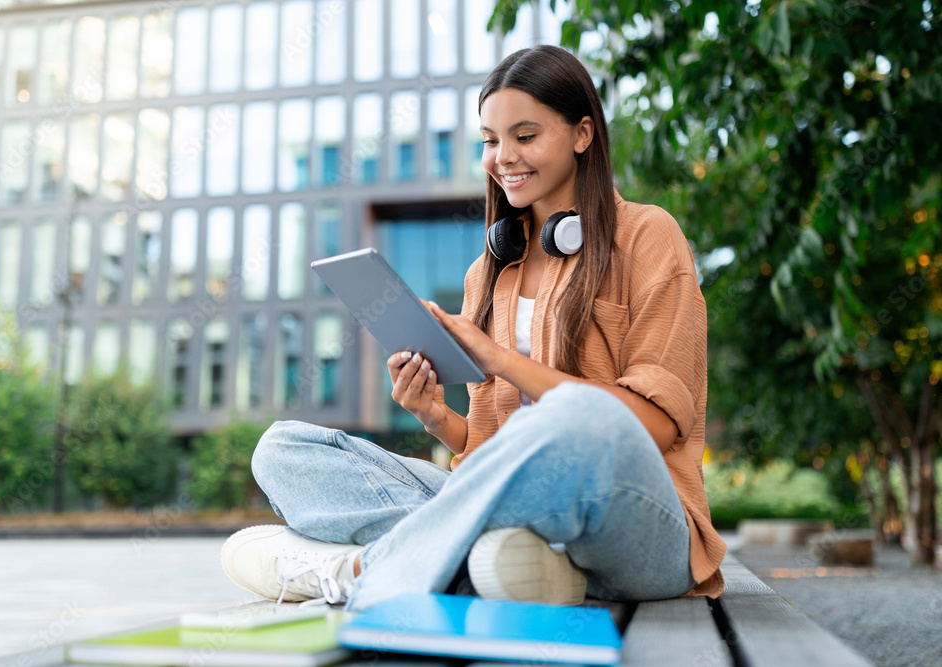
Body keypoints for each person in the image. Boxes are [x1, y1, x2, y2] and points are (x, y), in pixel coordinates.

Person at [220, 44, 726, 612]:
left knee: (578, 416)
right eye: (489, 140)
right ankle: (507, 564)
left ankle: (361, 569)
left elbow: (652, 429)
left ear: (583, 134)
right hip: (519, 514)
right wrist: (437, 419)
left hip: (641, 525)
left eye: (525, 136)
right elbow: (489, 455)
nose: (503, 156)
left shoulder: (648, 237)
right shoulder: (487, 274)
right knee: (284, 449)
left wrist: (504, 361)